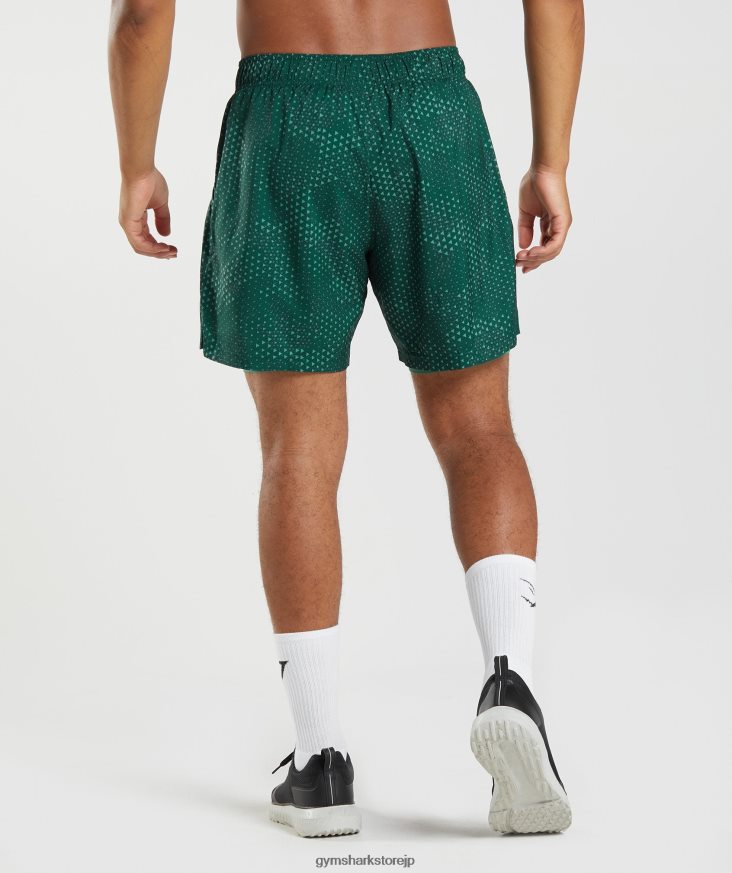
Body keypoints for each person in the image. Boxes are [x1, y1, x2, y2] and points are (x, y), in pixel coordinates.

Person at [109, 0, 584, 838]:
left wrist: (135, 165)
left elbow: (143, 14)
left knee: (297, 451)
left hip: (288, 119)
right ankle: (510, 680)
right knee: (479, 429)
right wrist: (553, 158)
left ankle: (321, 759)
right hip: (434, 114)